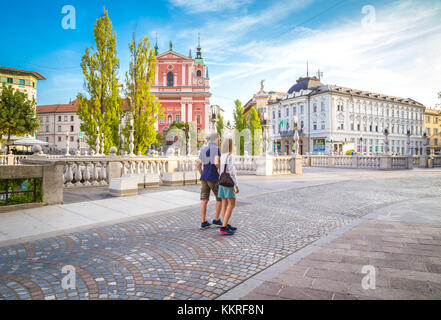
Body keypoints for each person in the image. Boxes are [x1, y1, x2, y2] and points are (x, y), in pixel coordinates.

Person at [197, 132, 222, 229]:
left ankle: (203, 221)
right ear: (215, 139)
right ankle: (216, 219)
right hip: (213, 177)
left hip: (204, 177)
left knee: (204, 199)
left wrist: (202, 173)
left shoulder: (203, 148)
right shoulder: (216, 149)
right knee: (219, 198)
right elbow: (216, 163)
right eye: (219, 138)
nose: (219, 140)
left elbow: (198, 164)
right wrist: (222, 172)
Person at [218, 138, 239, 236]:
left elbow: (219, 170)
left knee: (224, 203)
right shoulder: (230, 156)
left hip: (221, 181)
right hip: (228, 182)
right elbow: (231, 172)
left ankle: (224, 224)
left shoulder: (222, 156)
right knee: (232, 204)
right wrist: (236, 185)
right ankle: (223, 227)